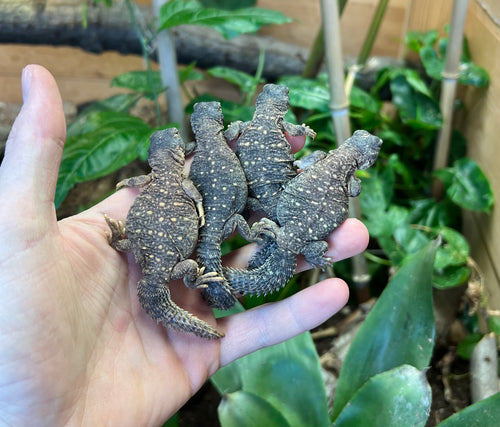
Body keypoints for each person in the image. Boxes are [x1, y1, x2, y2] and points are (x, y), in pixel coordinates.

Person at [0, 65, 368, 425]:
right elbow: (196, 197)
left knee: (217, 257)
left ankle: (214, 277)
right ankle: (214, 279)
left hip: (193, 234)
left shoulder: (185, 173)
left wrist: (197, 225)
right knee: (218, 258)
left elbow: (197, 198)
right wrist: (203, 234)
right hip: (211, 229)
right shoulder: (194, 178)